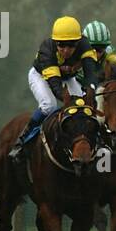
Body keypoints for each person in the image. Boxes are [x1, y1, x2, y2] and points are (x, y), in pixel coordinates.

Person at [7, 15, 99, 161]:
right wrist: (71, 99)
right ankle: (22, 141)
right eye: (61, 45)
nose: (66, 50)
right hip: (41, 77)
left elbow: (90, 73)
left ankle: (94, 142)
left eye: (71, 45)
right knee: (49, 106)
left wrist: (91, 90)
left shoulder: (85, 46)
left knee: (84, 106)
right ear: (55, 42)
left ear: (79, 41)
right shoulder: (47, 50)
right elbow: (55, 85)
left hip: (67, 78)